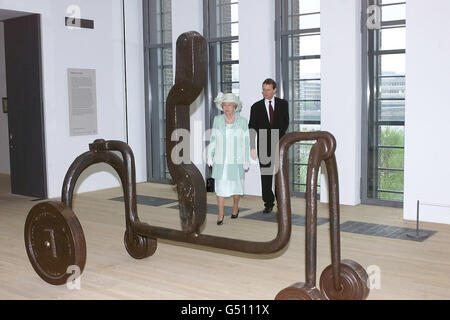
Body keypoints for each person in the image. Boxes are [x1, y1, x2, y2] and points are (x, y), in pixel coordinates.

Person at [207, 92, 250, 225]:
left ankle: (235, 207)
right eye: (224, 105)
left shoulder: (242, 121)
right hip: (221, 160)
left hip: (236, 160)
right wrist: (210, 154)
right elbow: (213, 139)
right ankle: (220, 215)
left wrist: (246, 159)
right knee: (220, 187)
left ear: (235, 106)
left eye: (229, 105)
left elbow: (245, 141)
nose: (227, 108)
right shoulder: (217, 120)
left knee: (236, 187)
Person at [248, 78, 289, 214]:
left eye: (268, 89)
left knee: (279, 175)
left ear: (274, 90)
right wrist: (252, 147)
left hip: (279, 143)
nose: (265, 92)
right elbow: (252, 128)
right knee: (266, 176)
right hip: (263, 143)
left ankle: (281, 202)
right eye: (263, 89)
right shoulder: (256, 107)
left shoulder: (283, 104)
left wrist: (278, 137)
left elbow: (285, 123)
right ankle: (268, 203)